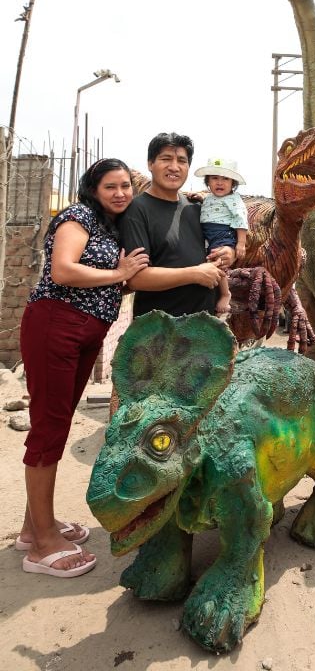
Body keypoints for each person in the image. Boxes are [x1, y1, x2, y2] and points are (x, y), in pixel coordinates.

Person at [18, 159, 150, 577]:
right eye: (110, 186)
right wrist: (120, 272)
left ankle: (32, 526)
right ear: (92, 190)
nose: (120, 193)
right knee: (48, 428)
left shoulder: (114, 226)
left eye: (125, 185)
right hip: (57, 322)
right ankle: (41, 546)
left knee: (55, 424)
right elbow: (64, 270)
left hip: (83, 331)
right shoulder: (78, 216)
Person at [119, 133, 234, 318]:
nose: (174, 167)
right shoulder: (136, 210)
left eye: (182, 160)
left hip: (206, 327)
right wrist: (194, 274)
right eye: (166, 159)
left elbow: (221, 240)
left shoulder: (196, 207)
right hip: (159, 330)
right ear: (150, 164)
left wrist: (229, 251)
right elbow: (136, 279)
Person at [194, 158, 249, 315]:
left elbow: (241, 219)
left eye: (225, 179)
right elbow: (209, 206)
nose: (220, 182)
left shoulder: (233, 199)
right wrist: (199, 198)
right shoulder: (209, 198)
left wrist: (240, 243)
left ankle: (225, 294)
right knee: (209, 260)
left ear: (233, 183)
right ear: (208, 182)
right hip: (207, 233)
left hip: (222, 233)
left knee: (217, 261)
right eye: (215, 178)